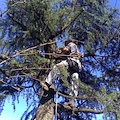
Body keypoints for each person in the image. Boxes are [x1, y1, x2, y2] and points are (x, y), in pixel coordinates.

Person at [43, 39, 83, 106]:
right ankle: (72, 100)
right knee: (74, 79)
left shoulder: (71, 44)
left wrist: (60, 51)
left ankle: (47, 84)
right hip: (77, 66)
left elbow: (65, 50)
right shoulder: (76, 49)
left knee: (57, 67)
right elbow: (65, 55)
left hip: (72, 62)